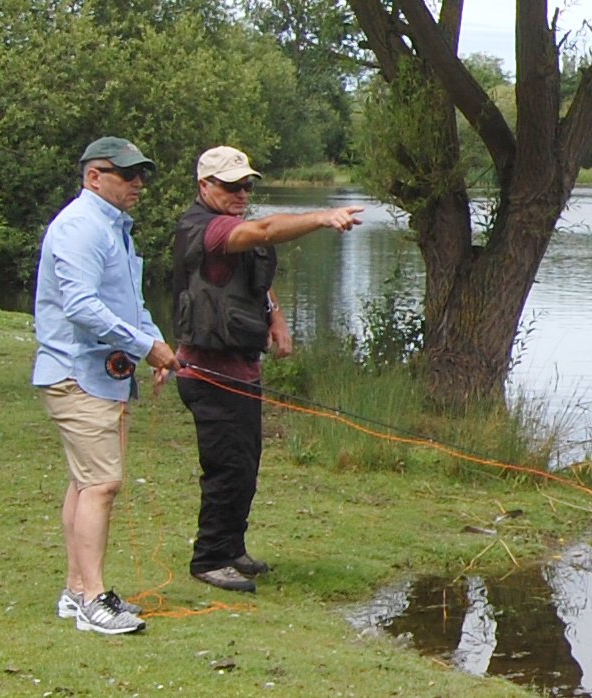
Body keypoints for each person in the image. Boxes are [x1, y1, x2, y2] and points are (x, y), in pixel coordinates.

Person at [172, 145, 363, 593]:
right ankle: (210, 558)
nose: (242, 192)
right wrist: (321, 218)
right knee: (225, 468)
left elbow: (255, 275)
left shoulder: (230, 227)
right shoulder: (206, 229)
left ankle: (232, 547)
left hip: (241, 370)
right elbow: (264, 232)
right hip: (209, 373)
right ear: (205, 187)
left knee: (245, 463)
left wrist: (275, 317)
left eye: (247, 185)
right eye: (231, 185)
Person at [33, 136, 180, 634]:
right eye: (127, 175)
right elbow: (80, 307)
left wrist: (155, 344)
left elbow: (126, 302)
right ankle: (95, 602)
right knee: (101, 484)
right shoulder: (79, 227)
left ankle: (77, 592)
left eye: (141, 175)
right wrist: (143, 347)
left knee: (86, 483)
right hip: (76, 373)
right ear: (94, 177)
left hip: (102, 376)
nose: (138, 184)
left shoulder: (114, 229)